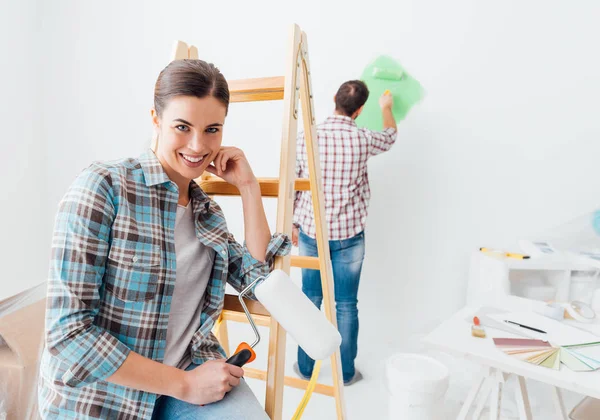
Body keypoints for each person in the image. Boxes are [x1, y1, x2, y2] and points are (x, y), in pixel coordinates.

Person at [38, 59, 290, 419]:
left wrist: (249, 187)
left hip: (189, 377)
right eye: (183, 127)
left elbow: (256, 276)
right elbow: (68, 333)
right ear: (156, 119)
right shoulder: (104, 187)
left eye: (212, 129)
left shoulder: (209, 216)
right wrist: (184, 385)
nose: (198, 145)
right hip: (103, 397)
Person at [292, 80, 397, 385]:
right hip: (349, 236)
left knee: (310, 300)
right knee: (346, 305)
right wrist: (387, 109)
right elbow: (390, 136)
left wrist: (294, 224)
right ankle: (346, 373)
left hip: (312, 233)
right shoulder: (363, 138)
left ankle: (305, 368)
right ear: (360, 110)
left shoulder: (306, 136)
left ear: (334, 100)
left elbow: (297, 184)